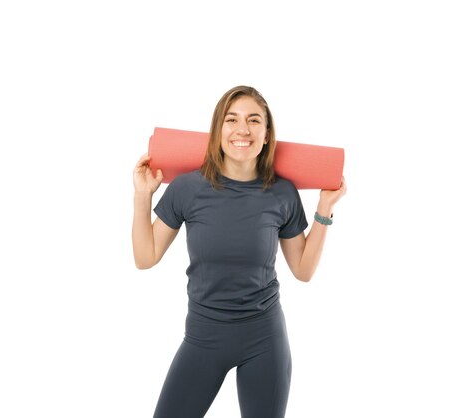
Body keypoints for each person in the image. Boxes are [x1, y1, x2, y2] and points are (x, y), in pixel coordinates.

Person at [132, 85, 347, 418]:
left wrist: (324, 209)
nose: (242, 129)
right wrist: (142, 196)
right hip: (203, 338)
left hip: (264, 340)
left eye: (254, 120)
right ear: (218, 130)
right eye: (231, 120)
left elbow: (303, 270)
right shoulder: (187, 188)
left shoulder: (282, 193)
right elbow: (145, 258)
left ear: (266, 134)